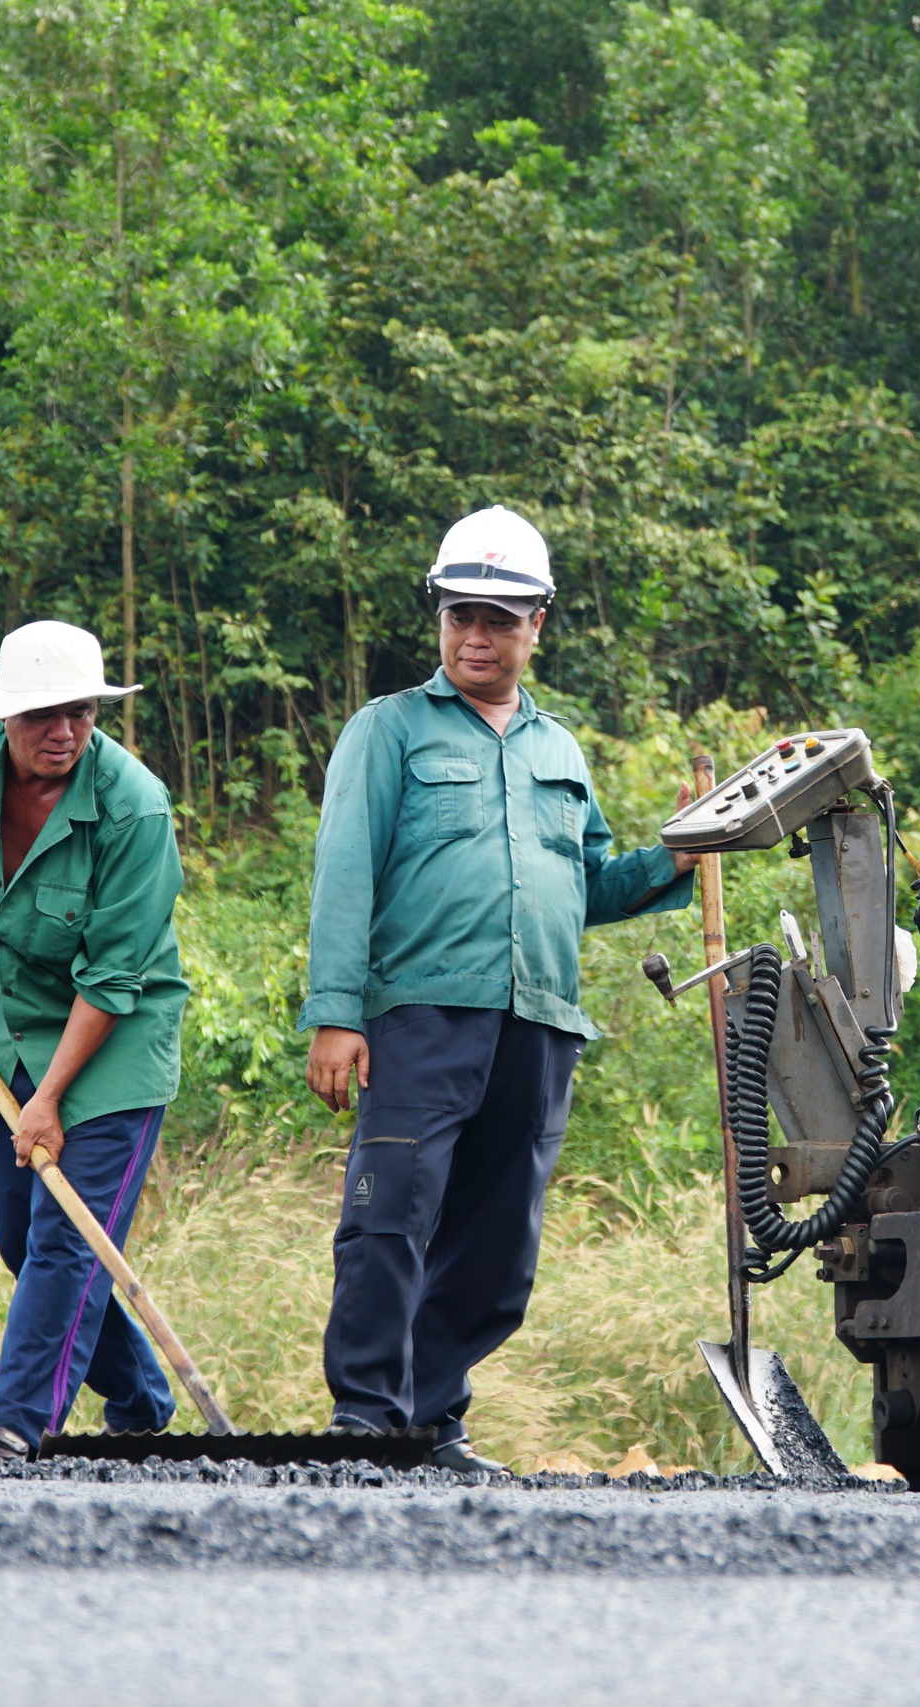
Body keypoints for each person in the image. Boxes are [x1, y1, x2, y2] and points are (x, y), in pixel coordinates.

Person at [301, 505, 697, 1472]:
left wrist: (678, 858)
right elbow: (344, 875)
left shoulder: (559, 749)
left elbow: (586, 884)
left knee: (498, 1249)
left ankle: (431, 1418)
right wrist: (336, 1014)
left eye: (498, 620)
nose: (476, 636)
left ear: (537, 625)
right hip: (421, 1015)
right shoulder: (388, 730)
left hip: (539, 1024)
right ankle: (367, 1418)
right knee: (390, 1217)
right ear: (440, 619)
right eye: (460, 617)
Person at [0, 620, 190, 1462]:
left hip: (116, 1037)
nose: (64, 731)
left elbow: (114, 977)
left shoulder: (133, 806)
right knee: (24, 1238)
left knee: (66, 1239)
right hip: (16, 1026)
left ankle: (13, 1422)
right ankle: (140, 1399)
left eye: (81, 712)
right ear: (5, 715)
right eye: (43, 714)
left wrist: (50, 1099)